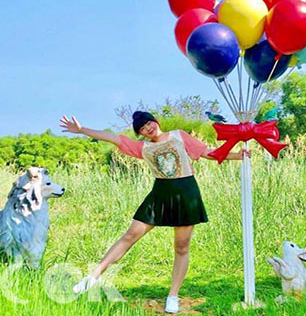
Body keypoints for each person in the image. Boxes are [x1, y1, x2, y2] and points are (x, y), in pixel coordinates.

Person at [60, 111, 247, 313]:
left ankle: (173, 296)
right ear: (141, 134)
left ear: (155, 122)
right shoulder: (143, 147)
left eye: (149, 123)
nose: (148, 128)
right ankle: (92, 277)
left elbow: (206, 152)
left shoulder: (179, 135)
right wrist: (81, 131)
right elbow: (112, 138)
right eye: (142, 129)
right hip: (160, 194)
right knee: (130, 235)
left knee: (182, 247)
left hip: (186, 193)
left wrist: (237, 156)